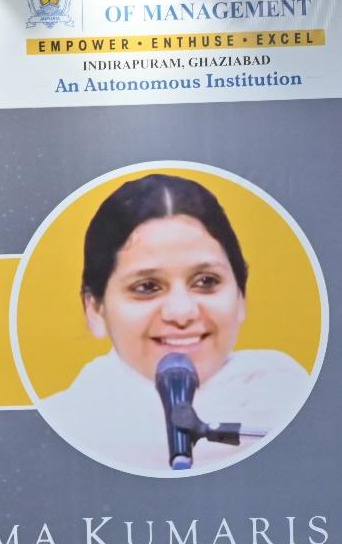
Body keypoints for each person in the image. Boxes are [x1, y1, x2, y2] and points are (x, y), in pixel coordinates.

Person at [42, 173, 311, 475]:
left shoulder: (294, 405)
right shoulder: (58, 428)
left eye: (206, 281)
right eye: (147, 287)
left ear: (240, 295)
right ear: (94, 309)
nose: (182, 313)